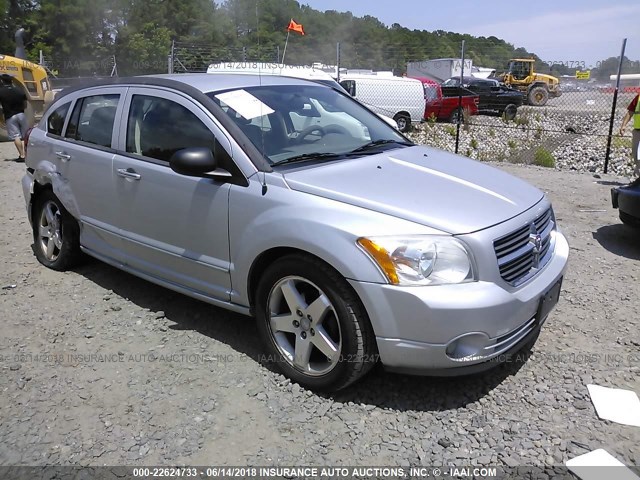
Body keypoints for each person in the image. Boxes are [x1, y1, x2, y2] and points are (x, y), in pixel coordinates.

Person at [0, 74, 28, 161]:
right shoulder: (19, 90)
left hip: (10, 116)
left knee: (16, 136)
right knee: (27, 136)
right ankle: (29, 155)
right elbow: (25, 105)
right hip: (21, 114)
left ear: (2, 81)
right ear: (11, 81)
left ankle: (22, 155)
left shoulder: (1, 91)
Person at [619, 92, 640, 179]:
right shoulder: (638, 97)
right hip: (638, 131)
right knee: (636, 156)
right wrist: (623, 125)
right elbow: (630, 112)